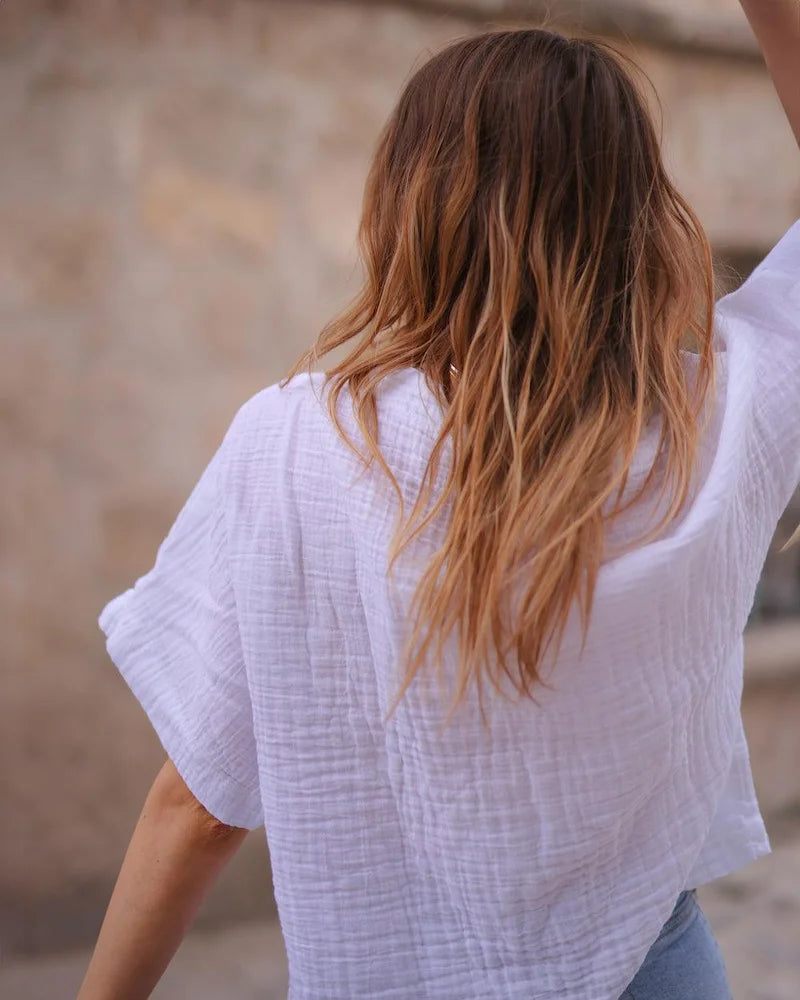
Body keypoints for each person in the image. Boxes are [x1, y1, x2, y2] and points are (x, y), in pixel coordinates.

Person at [78, 4, 800, 999]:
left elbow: (199, 807)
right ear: (639, 211)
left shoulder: (296, 444)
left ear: (409, 201)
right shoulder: (715, 420)